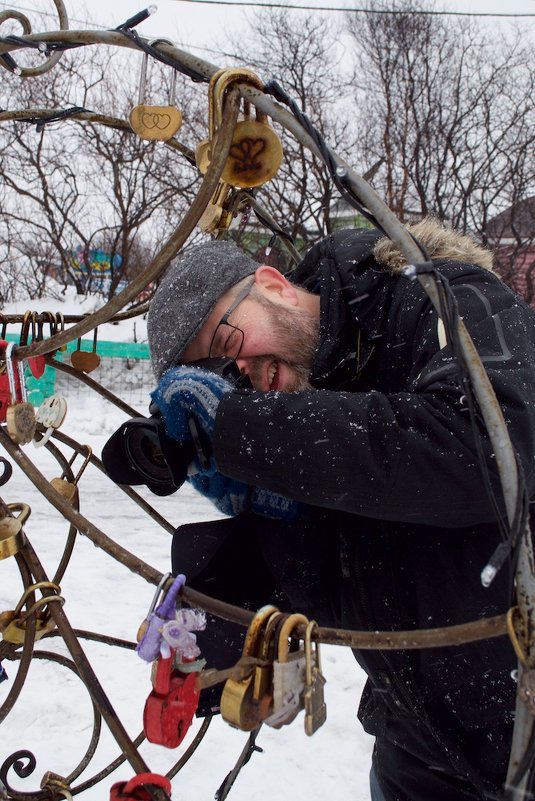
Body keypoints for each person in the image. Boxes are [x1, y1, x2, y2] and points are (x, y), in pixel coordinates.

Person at [146, 220, 535, 801]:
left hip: (524, 724)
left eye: (229, 348)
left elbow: (482, 448)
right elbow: (341, 560)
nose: (244, 379)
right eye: (224, 383)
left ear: (273, 284)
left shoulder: (438, 295)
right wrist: (223, 610)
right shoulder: (301, 400)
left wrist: (236, 425)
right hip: (416, 744)